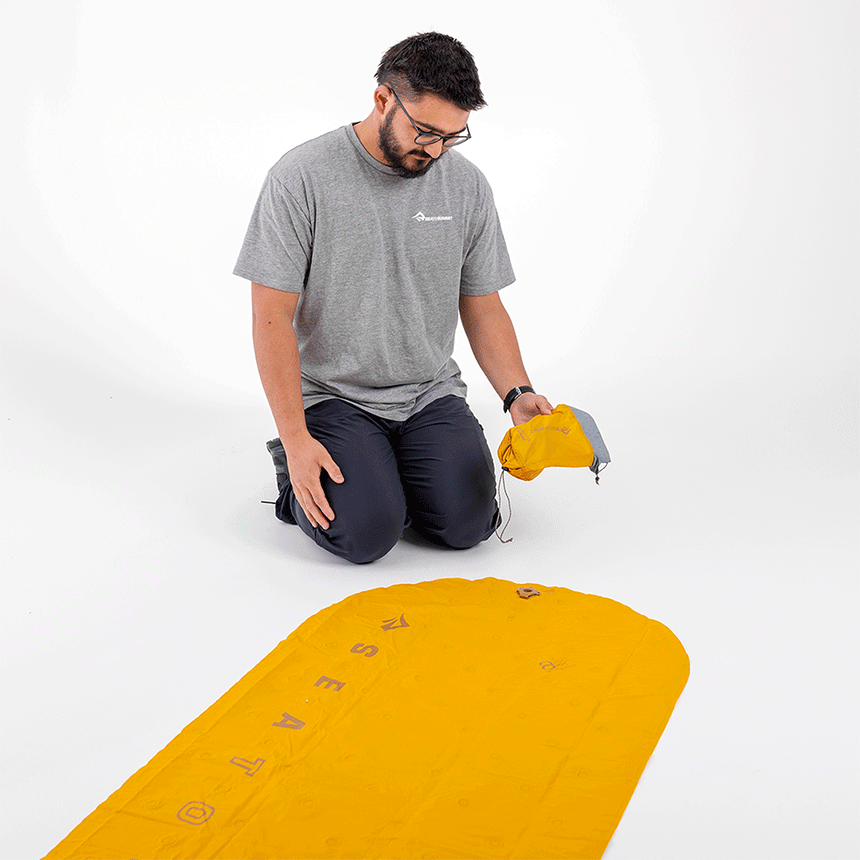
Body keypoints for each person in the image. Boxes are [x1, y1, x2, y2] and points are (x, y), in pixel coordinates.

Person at [234, 32, 552, 564]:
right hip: (333, 395)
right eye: (425, 131)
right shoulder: (300, 178)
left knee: (470, 525)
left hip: (427, 392)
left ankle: (388, 472)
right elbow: (271, 318)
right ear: (383, 99)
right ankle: (308, 479)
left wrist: (517, 393)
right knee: (366, 534)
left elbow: (483, 305)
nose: (436, 150)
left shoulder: (467, 187)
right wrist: (295, 438)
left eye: (452, 136)